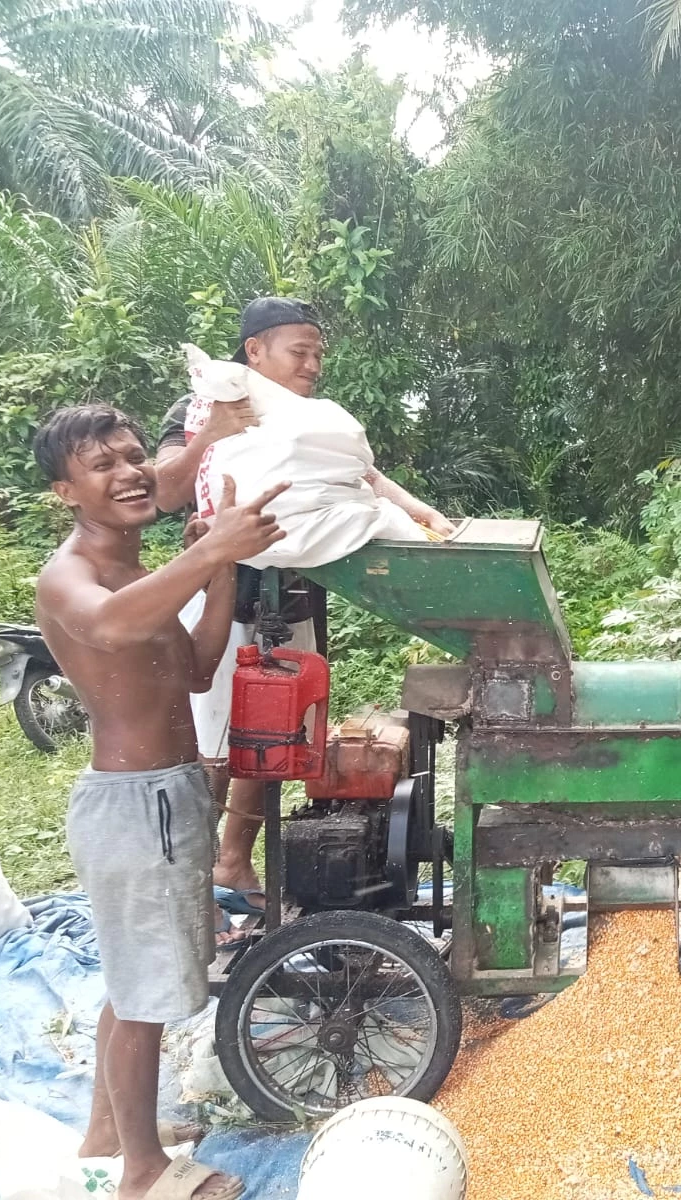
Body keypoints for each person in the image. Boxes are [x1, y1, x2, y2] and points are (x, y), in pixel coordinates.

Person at [34, 403, 288, 1200]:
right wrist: (212, 547)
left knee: (135, 983)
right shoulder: (69, 575)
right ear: (65, 492)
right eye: (102, 464)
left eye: (135, 455)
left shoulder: (143, 574)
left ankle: (108, 1130)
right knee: (145, 998)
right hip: (131, 804)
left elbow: (197, 669)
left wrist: (217, 571)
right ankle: (142, 1172)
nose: (130, 472)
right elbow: (108, 629)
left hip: (172, 792)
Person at [155, 297, 455, 925]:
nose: (313, 364)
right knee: (209, 745)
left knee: (275, 733)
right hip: (222, 592)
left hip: (293, 590)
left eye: (319, 352)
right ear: (255, 350)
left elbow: (361, 477)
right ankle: (188, 890)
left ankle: (234, 859)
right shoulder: (199, 408)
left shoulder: (309, 419)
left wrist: (421, 513)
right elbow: (167, 491)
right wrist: (212, 430)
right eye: (300, 351)